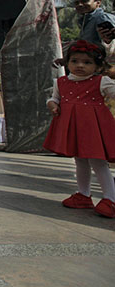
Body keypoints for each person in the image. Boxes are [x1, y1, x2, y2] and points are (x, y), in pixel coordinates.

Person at [43, 40, 115, 218]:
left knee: (98, 162)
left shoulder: (101, 82)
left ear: (98, 66)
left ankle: (111, 199)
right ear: (67, 63)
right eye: (74, 61)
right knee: (80, 160)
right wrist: (52, 105)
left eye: (87, 62)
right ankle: (83, 194)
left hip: (94, 129)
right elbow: (54, 98)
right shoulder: (61, 82)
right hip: (74, 128)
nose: (80, 65)